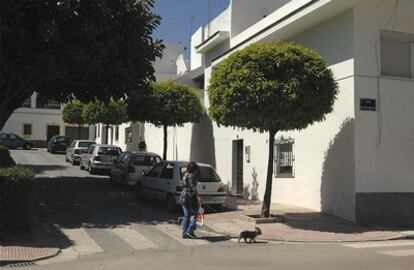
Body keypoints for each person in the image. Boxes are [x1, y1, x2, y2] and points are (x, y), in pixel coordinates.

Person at [180, 161, 201, 239]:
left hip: (183, 196)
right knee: (195, 214)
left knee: (187, 215)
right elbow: (193, 188)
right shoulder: (192, 176)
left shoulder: (185, 175)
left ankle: (185, 233)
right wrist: (198, 197)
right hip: (189, 197)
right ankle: (189, 231)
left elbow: (183, 184)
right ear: (194, 169)